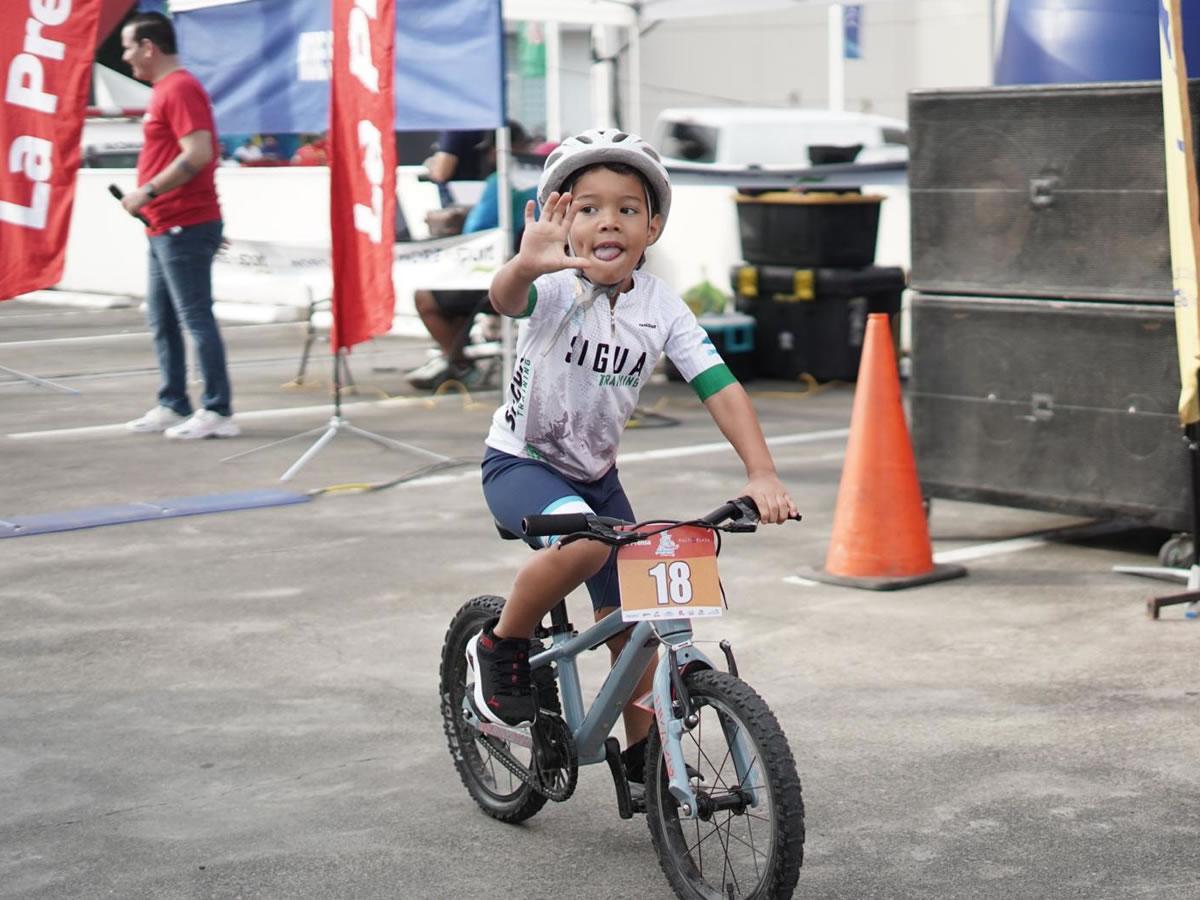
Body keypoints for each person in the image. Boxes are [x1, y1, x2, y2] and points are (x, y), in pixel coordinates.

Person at [466, 129, 798, 786]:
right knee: (586, 549)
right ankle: (500, 644)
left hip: (596, 480)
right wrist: (526, 264)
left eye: (625, 208)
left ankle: (649, 765)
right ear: (564, 222)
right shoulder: (554, 286)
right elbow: (505, 300)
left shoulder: (661, 308)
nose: (607, 221)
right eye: (587, 208)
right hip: (521, 465)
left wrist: (761, 473)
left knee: (638, 619)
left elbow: (720, 387)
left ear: (653, 226)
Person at [119, 11, 238, 439]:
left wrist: (146, 191)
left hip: (182, 223)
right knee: (163, 318)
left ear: (149, 46)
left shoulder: (180, 88)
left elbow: (199, 153)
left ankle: (218, 411)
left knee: (194, 318)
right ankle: (173, 402)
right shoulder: (166, 90)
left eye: (129, 47)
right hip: (164, 224)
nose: (126, 57)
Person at [406, 122, 539, 391]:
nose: (488, 155)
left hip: (501, 278)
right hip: (537, 277)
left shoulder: (499, 182)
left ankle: (459, 364)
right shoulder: (544, 180)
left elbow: (476, 234)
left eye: (491, 150)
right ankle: (454, 361)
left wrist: (461, 218)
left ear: (499, 149)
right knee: (452, 301)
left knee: (426, 296)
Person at [423, 129, 488, 207]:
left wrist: (431, 165)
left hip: (459, 197)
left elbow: (441, 173)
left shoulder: (454, 130)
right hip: (476, 192)